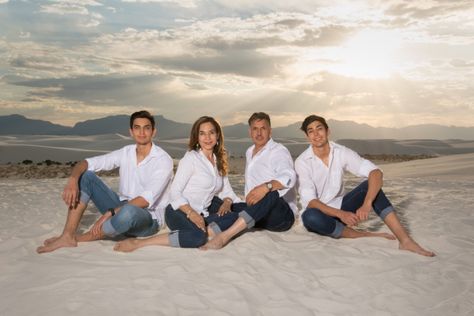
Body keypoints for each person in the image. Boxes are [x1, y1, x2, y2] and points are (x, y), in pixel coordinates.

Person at [294, 114, 435, 257]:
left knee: (371, 184)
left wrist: (367, 204)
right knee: (310, 217)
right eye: (311, 131)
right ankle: (360, 234)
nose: (316, 134)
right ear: (307, 137)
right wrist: (341, 214)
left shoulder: (341, 152)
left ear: (328, 131)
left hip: (341, 206)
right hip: (319, 214)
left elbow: (376, 173)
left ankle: (405, 240)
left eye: (319, 129)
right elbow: (311, 202)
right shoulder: (302, 162)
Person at [37, 110, 173, 253]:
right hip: (120, 207)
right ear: (131, 132)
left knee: (128, 212)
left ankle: (82, 238)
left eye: (147, 128)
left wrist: (111, 213)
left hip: (147, 219)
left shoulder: (163, 160)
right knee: (86, 176)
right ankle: (67, 235)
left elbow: (146, 200)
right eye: (137, 127)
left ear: (153, 132)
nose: (142, 132)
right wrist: (73, 180)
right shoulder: (126, 152)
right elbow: (86, 163)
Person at [114, 116, 241, 252]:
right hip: (178, 211)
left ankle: (206, 230)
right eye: (202, 133)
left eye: (211, 132)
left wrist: (227, 202)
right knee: (197, 238)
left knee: (234, 215)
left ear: (217, 135)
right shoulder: (191, 158)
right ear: (197, 137)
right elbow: (175, 192)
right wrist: (192, 213)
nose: (207, 137)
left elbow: (226, 191)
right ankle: (139, 243)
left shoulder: (219, 161)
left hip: (203, 213)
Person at [201, 112, 296, 250]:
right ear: (250, 131)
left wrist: (266, 186)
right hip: (256, 212)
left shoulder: (278, 151)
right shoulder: (249, 151)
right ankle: (202, 225)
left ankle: (225, 236)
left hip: (281, 217)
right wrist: (228, 202)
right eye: (255, 129)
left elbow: (289, 175)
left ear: (270, 131)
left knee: (271, 193)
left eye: (263, 128)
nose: (259, 133)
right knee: (217, 202)